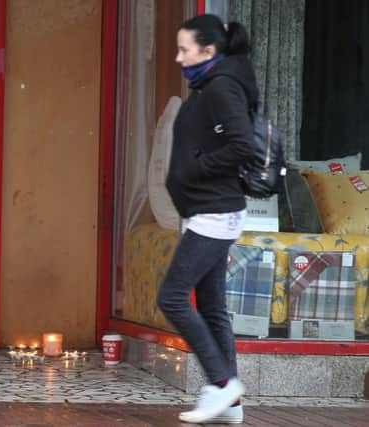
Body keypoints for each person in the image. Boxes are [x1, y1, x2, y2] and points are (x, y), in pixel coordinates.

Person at [156, 14, 259, 425]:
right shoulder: (211, 86)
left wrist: (195, 167)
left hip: (215, 212)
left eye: (185, 49)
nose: (178, 57)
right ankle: (230, 404)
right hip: (208, 211)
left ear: (209, 51)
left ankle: (221, 384)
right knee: (213, 307)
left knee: (172, 298)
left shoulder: (221, 88)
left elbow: (244, 146)